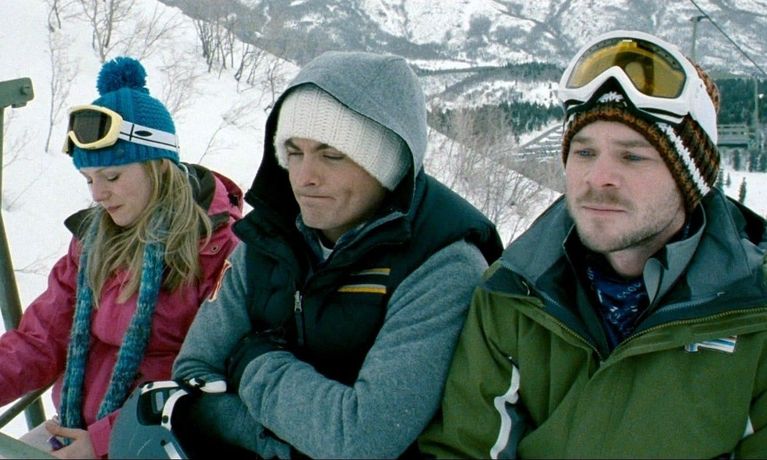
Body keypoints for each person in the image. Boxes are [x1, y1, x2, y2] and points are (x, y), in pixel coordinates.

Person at [419, 30, 767, 458]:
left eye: (632, 156)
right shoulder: (514, 294)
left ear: (689, 181)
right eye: (584, 153)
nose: (598, 177)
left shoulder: (752, 311)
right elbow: (466, 448)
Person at [161, 50, 503, 459]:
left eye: (332, 155)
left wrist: (253, 360)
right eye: (294, 152)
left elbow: (362, 440)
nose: (304, 177)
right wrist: (273, 441)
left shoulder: (442, 265)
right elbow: (194, 374)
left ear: (388, 167)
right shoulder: (268, 237)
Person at [0, 56, 242, 458]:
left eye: (112, 177)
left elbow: (205, 381)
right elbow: (41, 339)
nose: (98, 195)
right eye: (89, 180)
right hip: (72, 429)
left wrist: (103, 441)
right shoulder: (93, 243)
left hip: (154, 442)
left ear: (158, 167)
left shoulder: (219, 254)